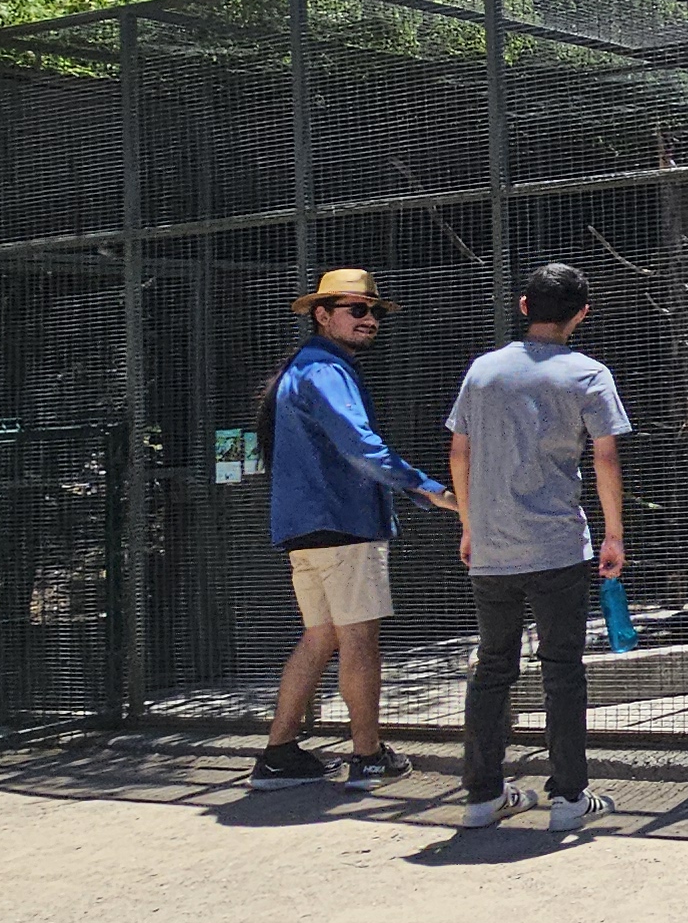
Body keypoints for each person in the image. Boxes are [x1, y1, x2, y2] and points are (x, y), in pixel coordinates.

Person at [251, 268, 459, 792]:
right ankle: (367, 757)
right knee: (360, 641)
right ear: (321, 315)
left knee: (320, 637)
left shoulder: (305, 368)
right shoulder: (324, 370)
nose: (369, 319)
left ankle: (278, 755)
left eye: (373, 311)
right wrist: (428, 488)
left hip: (306, 529)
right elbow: (359, 444)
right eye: (356, 310)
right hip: (342, 526)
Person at [447, 261, 632, 833]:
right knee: (562, 670)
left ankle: (482, 796)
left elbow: (460, 452)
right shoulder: (588, 374)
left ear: (524, 307)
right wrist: (614, 533)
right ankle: (569, 800)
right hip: (556, 544)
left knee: (492, 667)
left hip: (493, 547)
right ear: (582, 314)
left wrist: (470, 525)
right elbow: (604, 457)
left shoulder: (482, 371)